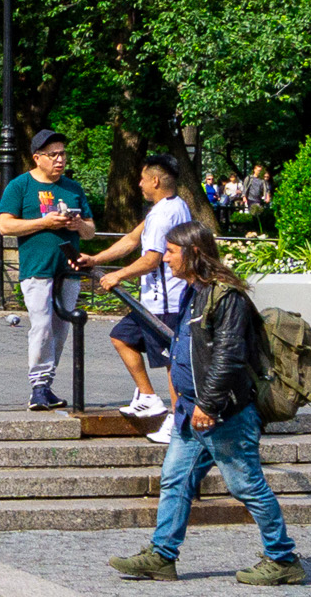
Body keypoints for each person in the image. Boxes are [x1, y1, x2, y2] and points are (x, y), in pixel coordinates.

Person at [108, 224, 304, 586]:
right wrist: (187, 402)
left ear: (194, 252)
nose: (165, 259)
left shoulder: (226, 297)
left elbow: (229, 356)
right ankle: (161, 556)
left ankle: (283, 558)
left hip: (224, 414)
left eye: (171, 252)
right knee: (175, 480)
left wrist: (209, 406)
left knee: (247, 486)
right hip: (190, 413)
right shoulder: (194, 292)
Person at [90, 155, 198, 435]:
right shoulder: (170, 207)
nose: (139, 184)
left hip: (166, 303)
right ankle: (148, 396)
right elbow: (131, 240)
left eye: (142, 179)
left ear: (156, 181)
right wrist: (94, 259)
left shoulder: (163, 215)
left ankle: (178, 424)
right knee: (121, 336)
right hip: (152, 303)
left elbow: (151, 260)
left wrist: (117, 275)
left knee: (173, 363)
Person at [0, 129, 94, 411]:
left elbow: (90, 231)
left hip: (69, 269)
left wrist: (78, 225)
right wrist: (44, 223)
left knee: (60, 329)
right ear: (37, 158)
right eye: (53, 155)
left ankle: (47, 384)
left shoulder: (73, 188)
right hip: (37, 268)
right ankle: (38, 387)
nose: (60, 160)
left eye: (63, 154)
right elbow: (5, 226)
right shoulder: (20, 185)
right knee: (41, 325)